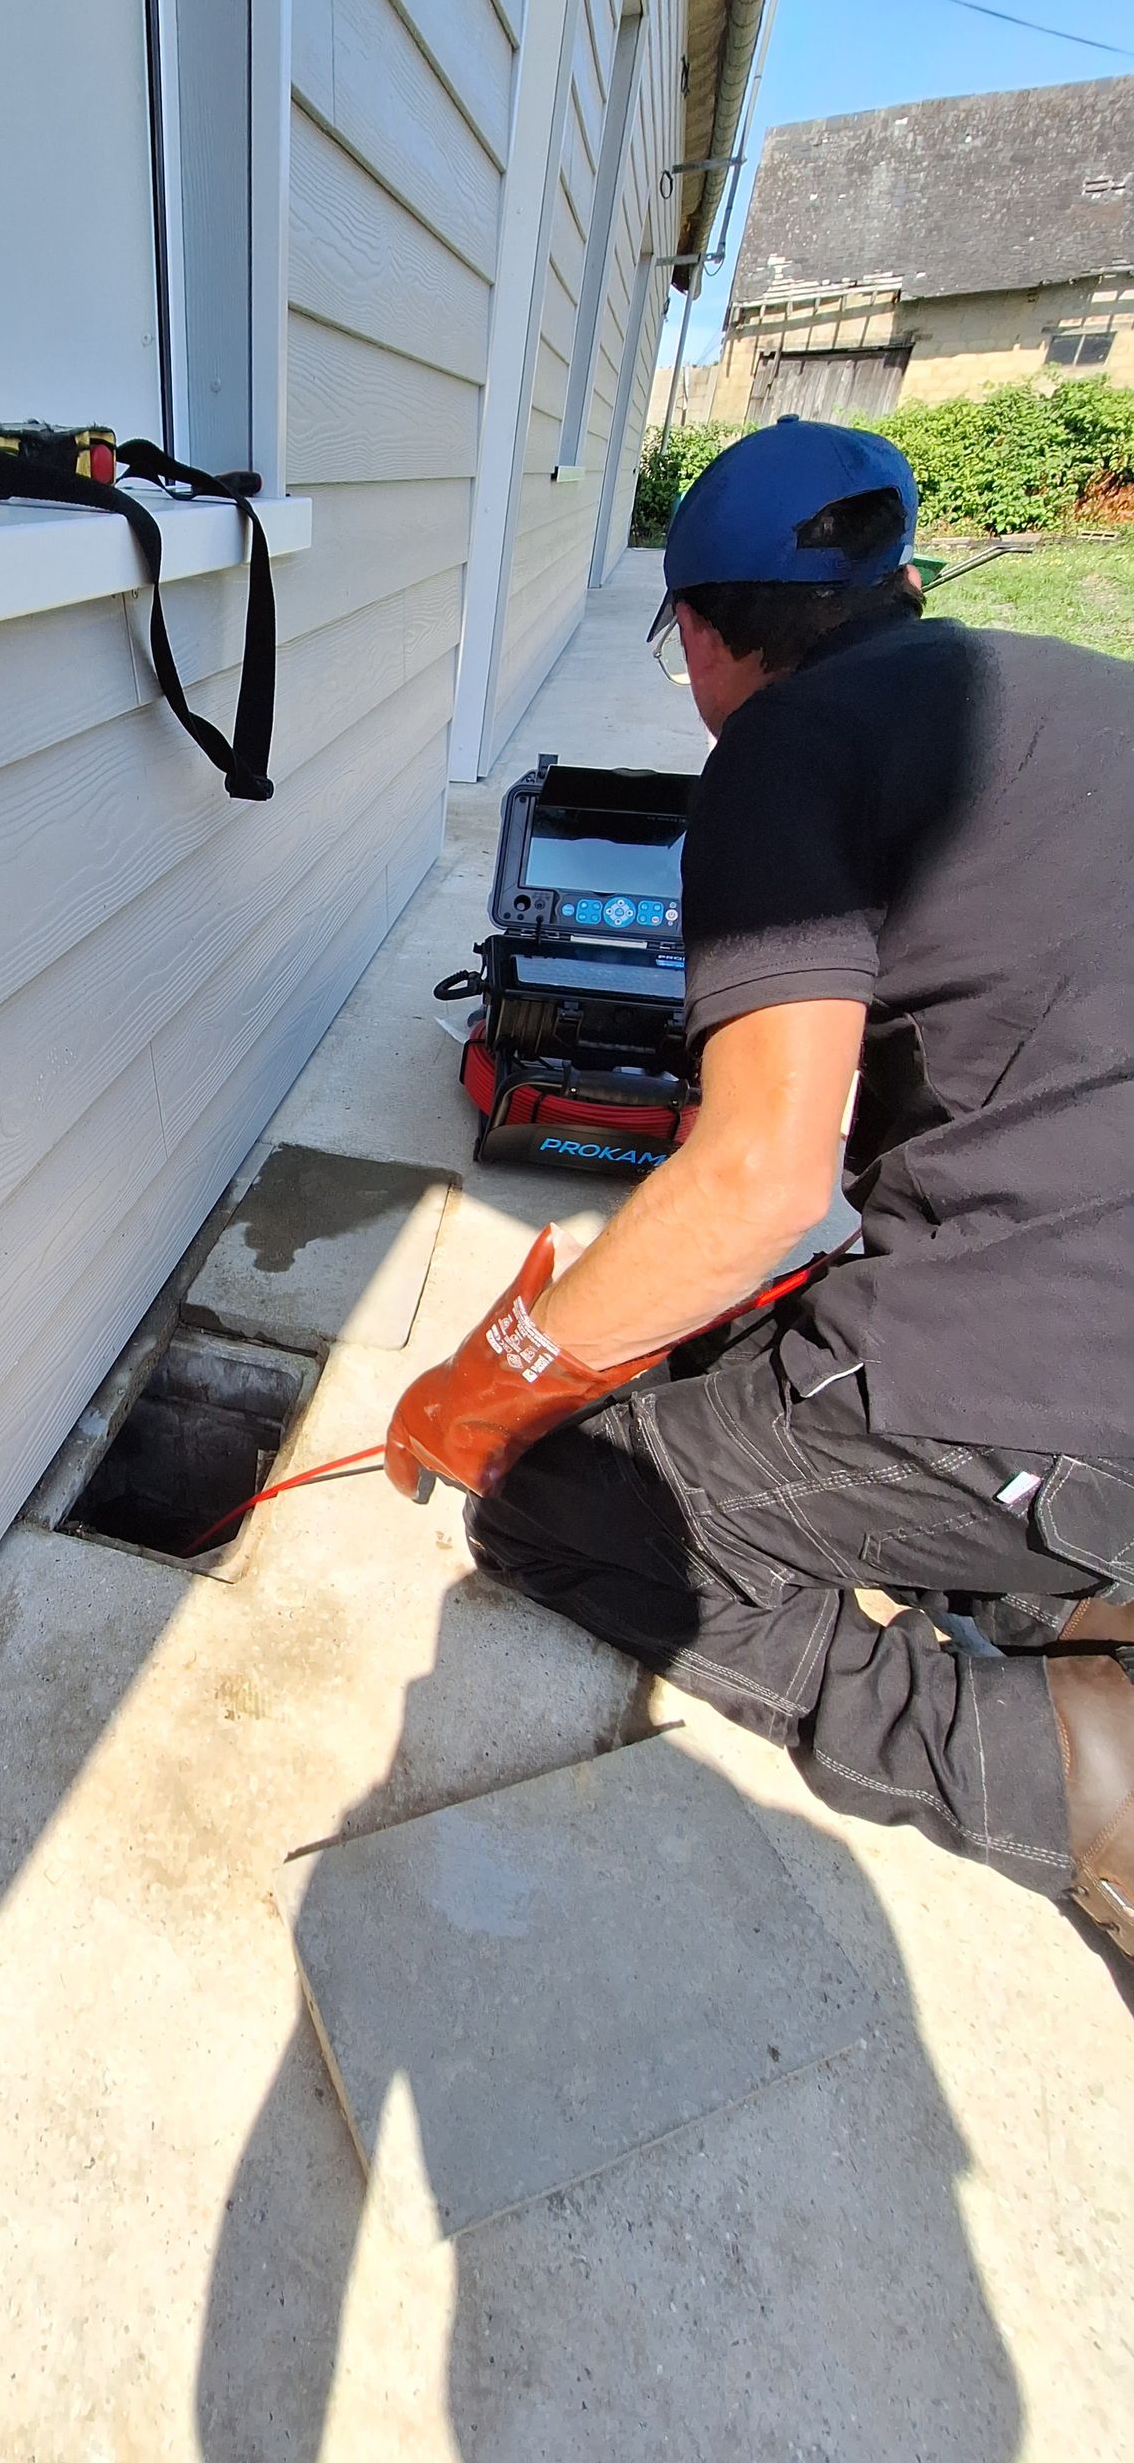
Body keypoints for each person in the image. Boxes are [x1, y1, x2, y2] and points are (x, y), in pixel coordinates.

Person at [386, 416, 1134, 1959]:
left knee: (572, 1502)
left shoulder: (790, 750)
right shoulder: (1073, 699)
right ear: (902, 579)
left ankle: (1076, 1778)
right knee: (714, 1366)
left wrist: (494, 1382)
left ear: (712, 639)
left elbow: (757, 1176)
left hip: (1064, 1402)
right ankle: (1055, 1592)